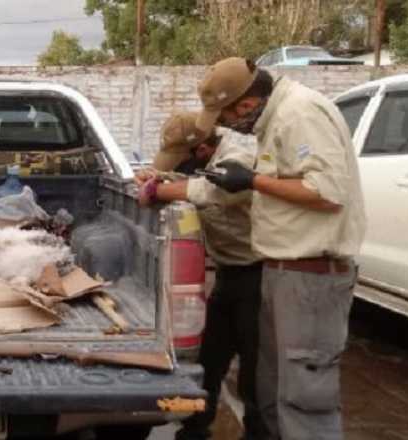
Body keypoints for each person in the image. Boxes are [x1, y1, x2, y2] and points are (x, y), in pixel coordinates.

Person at [195, 57, 366, 440]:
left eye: (224, 118)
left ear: (244, 104)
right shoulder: (277, 119)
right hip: (281, 272)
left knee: (305, 399)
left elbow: (327, 192)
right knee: (272, 390)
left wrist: (253, 181)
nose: (227, 127)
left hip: (311, 275)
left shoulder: (298, 113)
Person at [136, 112, 266, 440]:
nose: (179, 167)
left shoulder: (240, 156)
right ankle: (194, 429)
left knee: (257, 369)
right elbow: (181, 179)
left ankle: (259, 433)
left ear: (203, 150)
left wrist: (160, 192)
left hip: (261, 274)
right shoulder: (202, 159)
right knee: (211, 358)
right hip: (230, 272)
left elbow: (216, 192)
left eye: (182, 160)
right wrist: (154, 178)